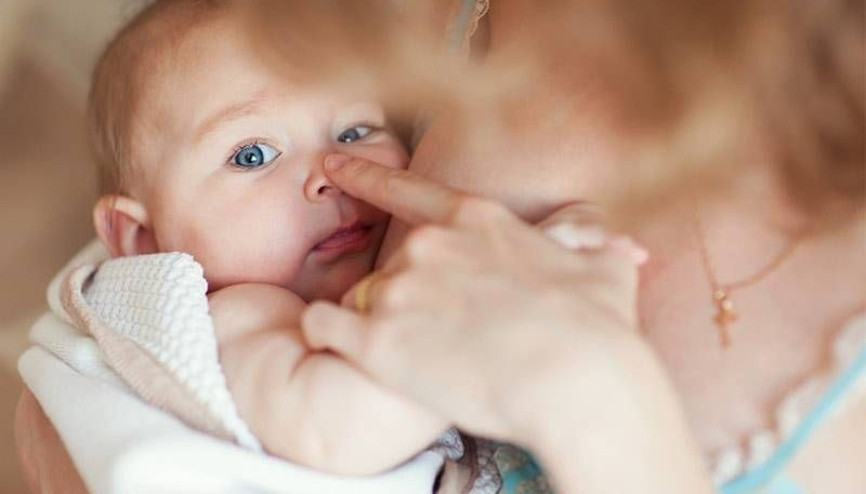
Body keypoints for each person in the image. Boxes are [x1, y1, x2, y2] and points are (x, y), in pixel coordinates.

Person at [17, 0, 865, 493]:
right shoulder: (238, 318)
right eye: (250, 155)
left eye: (354, 129)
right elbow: (341, 430)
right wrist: (497, 328)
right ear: (140, 238)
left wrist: (583, 385)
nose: (330, 175)